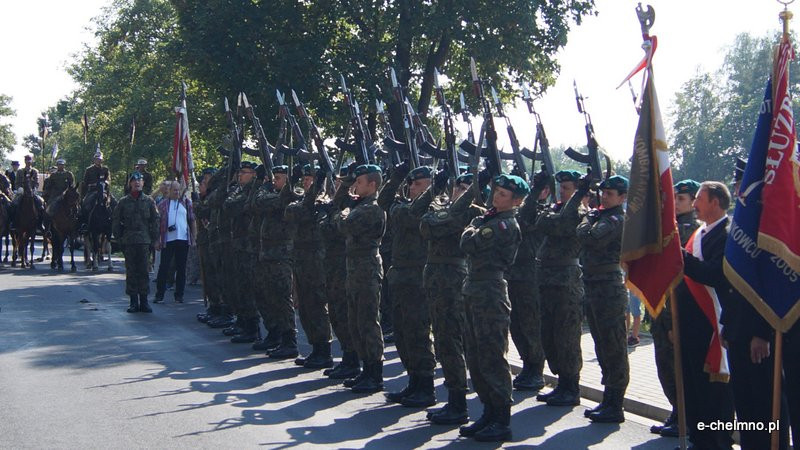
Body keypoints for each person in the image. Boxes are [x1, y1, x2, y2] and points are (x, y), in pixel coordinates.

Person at [457, 173, 527, 442]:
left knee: (492, 356)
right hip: (474, 289)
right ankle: (488, 412)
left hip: (490, 292)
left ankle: (502, 418)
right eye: (496, 192)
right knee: (475, 355)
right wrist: (475, 225)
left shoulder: (504, 225)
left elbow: (467, 243)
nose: (496, 197)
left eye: (503, 194)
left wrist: (472, 226)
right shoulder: (489, 220)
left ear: (516, 201)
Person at [675, 181, 736, 449]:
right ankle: (699, 439)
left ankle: (718, 442)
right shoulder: (699, 234)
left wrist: (680, 257)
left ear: (715, 202)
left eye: (699, 198)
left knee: (716, 393)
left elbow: (713, 274)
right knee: (694, 388)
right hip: (691, 325)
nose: (695, 203)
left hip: (713, 325)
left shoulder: (726, 234)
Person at [420, 171, 483, 425]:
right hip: (436, 281)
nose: (459, 191)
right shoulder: (442, 209)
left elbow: (451, 223)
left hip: (453, 282)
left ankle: (458, 402)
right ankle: (453, 399)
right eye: (458, 187)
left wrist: (449, 216)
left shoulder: (474, 214)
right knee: (443, 340)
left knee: (451, 341)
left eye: (466, 188)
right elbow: (426, 224)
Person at [378, 163, 437, 407]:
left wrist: (433, 193)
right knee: (402, 334)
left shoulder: (434, 210)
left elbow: (417, 215)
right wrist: (396, 177)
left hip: (419, 279)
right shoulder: (402, 207)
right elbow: (382, 202)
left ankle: (425, 386)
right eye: (411, 183)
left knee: (418, 333)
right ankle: (413, 381)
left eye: (419, 184)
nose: (413, 187)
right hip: (400, 278)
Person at [650, 178, 702, 437]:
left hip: (678, 308)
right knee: (664, 364)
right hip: (662, 306)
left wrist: (672, 319)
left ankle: (686, 416)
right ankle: (676, 411)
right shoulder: (668, 226)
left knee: (677, 364)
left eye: (681, 199)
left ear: (694, 201)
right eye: (675, 198)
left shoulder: (691, 229)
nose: (676, 203)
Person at [577, 175, 630, 424]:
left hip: (609, 288)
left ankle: (615, 403)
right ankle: (608, 400)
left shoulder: (615, 219)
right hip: (594, 286)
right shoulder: (601, 217)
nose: (604, 197)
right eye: (603, 193)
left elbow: (589, 237)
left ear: (622, 197)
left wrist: (587, 216)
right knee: (602, 346)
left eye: (610, 194)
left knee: (614, 347)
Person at [535, 170, 589, 407]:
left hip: (566, 282)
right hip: (546, 281)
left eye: (566, 188)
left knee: (567, 336)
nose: (561, 192)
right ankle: (561, 382)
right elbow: (537, 222)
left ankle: (571, 386)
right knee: (549, 335)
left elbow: (564, 226)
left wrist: (577, 198)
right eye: (560, 188)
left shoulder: (581, 213)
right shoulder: (554, 210)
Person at [332, 163, 387, 394]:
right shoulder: (359, 205)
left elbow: (342, 224)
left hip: (366, 269)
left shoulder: (371, 208)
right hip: (355, 268)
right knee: (355, 321)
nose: (356, 185)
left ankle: (374, 373)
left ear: (372, 185)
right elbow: (338, 208)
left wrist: (342, 213)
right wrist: (345, 186)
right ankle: (365, 370)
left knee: (367, 322)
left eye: (360, 182)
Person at [285, 164, 334, 369]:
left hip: (316, 261)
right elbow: (293, 211)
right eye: (304, 180)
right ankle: (315, 347)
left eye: (311, 179)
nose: (307, 183)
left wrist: (317, 192)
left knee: (317, 306)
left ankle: (324, 349)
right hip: (301, 260)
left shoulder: (325, 203)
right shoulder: (301, 202)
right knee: (304, 307)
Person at [251, 165, 300, 358]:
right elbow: (257, 203)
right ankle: (274, 332)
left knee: (282, 298)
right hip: (267, 254)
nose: (274, 182)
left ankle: (289, 340)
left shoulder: (294, 195)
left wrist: (287, 186)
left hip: (282, 255)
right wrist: (265, 185)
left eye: (278, 178)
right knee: (266, 295)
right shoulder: (272, 194)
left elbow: (279, 202)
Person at [222, 162, 263, 343]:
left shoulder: (254, 192)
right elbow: (226, 205)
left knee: (248, 288)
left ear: (253, 174)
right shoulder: (241, 190)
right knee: (240, 287)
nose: (240, 175)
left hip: (250, 248)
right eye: (239, 172)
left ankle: (252, 327)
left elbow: (233, 206)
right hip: (239, 246)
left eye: (244, 173)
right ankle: (244, 322)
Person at [112, 172, 159, 313]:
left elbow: (155, 220)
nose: (137, 183)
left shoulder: (149, 201)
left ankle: (144, 301)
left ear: (143, 183)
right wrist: (119, 238)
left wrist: (154, 238)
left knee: (144, 271)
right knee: (131, 271)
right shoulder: (123, 202)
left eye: (140, 180)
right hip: (129, 241)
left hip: (144, 241)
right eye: (134, 181)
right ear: (130, 184)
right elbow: (116, 221)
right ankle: (133, 302)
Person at [153, 181, 196, 304]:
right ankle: (159, 295)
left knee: (181, 268)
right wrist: (157, 240)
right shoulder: (162, 205)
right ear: (169, 191)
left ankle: (179, 295)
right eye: (174, 190)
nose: (177, 192)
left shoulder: (186, 203)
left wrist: (194, 237)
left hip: (182, 239)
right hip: (168, 240)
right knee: (164, 267)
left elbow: (192, 220)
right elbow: (156, 224)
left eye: (178, 190)